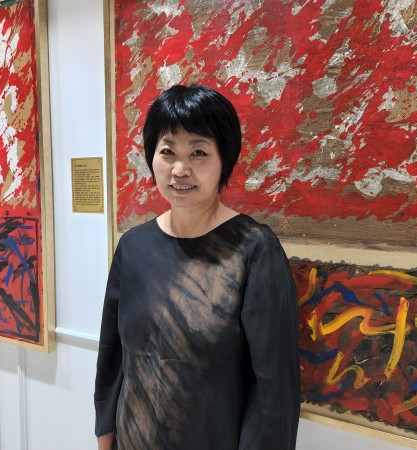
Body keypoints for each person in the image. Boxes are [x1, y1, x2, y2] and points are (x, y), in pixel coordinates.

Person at [94, 84, 300, 450]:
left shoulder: (254, 250)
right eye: (167, 151)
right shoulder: (134, 246)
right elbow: (112, 353)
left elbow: (274, 392)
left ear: (225, 160)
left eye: (199, 152)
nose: (180, 169)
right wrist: (105, 431)